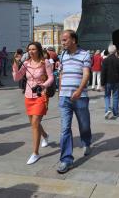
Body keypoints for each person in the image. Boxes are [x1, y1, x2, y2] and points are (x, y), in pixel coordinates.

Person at [12, 42, 54, 165]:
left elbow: (51, 78)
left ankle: (35, 153)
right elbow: (17, 78)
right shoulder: (26, 63)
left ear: (39, 50)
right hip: (28, 95)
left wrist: (43, 85)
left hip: (41, 95)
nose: (31, 51)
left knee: (35, 123)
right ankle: (45, 136)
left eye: (33, 49)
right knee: (34, 123)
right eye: (29, 49)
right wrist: (15, 64)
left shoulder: (45, 62)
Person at [57, 30, 92, 174]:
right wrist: (60, 91)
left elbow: (86, 74)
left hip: (80, 97)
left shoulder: (85, 54)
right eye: (62, 40)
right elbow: (61, 74)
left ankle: (86, 141)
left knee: (84, 125)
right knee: (65, 128)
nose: (62, 42)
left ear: (73, 40)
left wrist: (79, 90)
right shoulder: (63, 55)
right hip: (64, 97)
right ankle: (66, 160)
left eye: (65, 40)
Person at [101, 44, 119, 119]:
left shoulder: (105, 60)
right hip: (117, 81)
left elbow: (103, 72)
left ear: (109, 51)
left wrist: (102, 83)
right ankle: (115, 112)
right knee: (116, 97)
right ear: (115, 51)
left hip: (107, 81)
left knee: (107, 96)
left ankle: (107, 109)